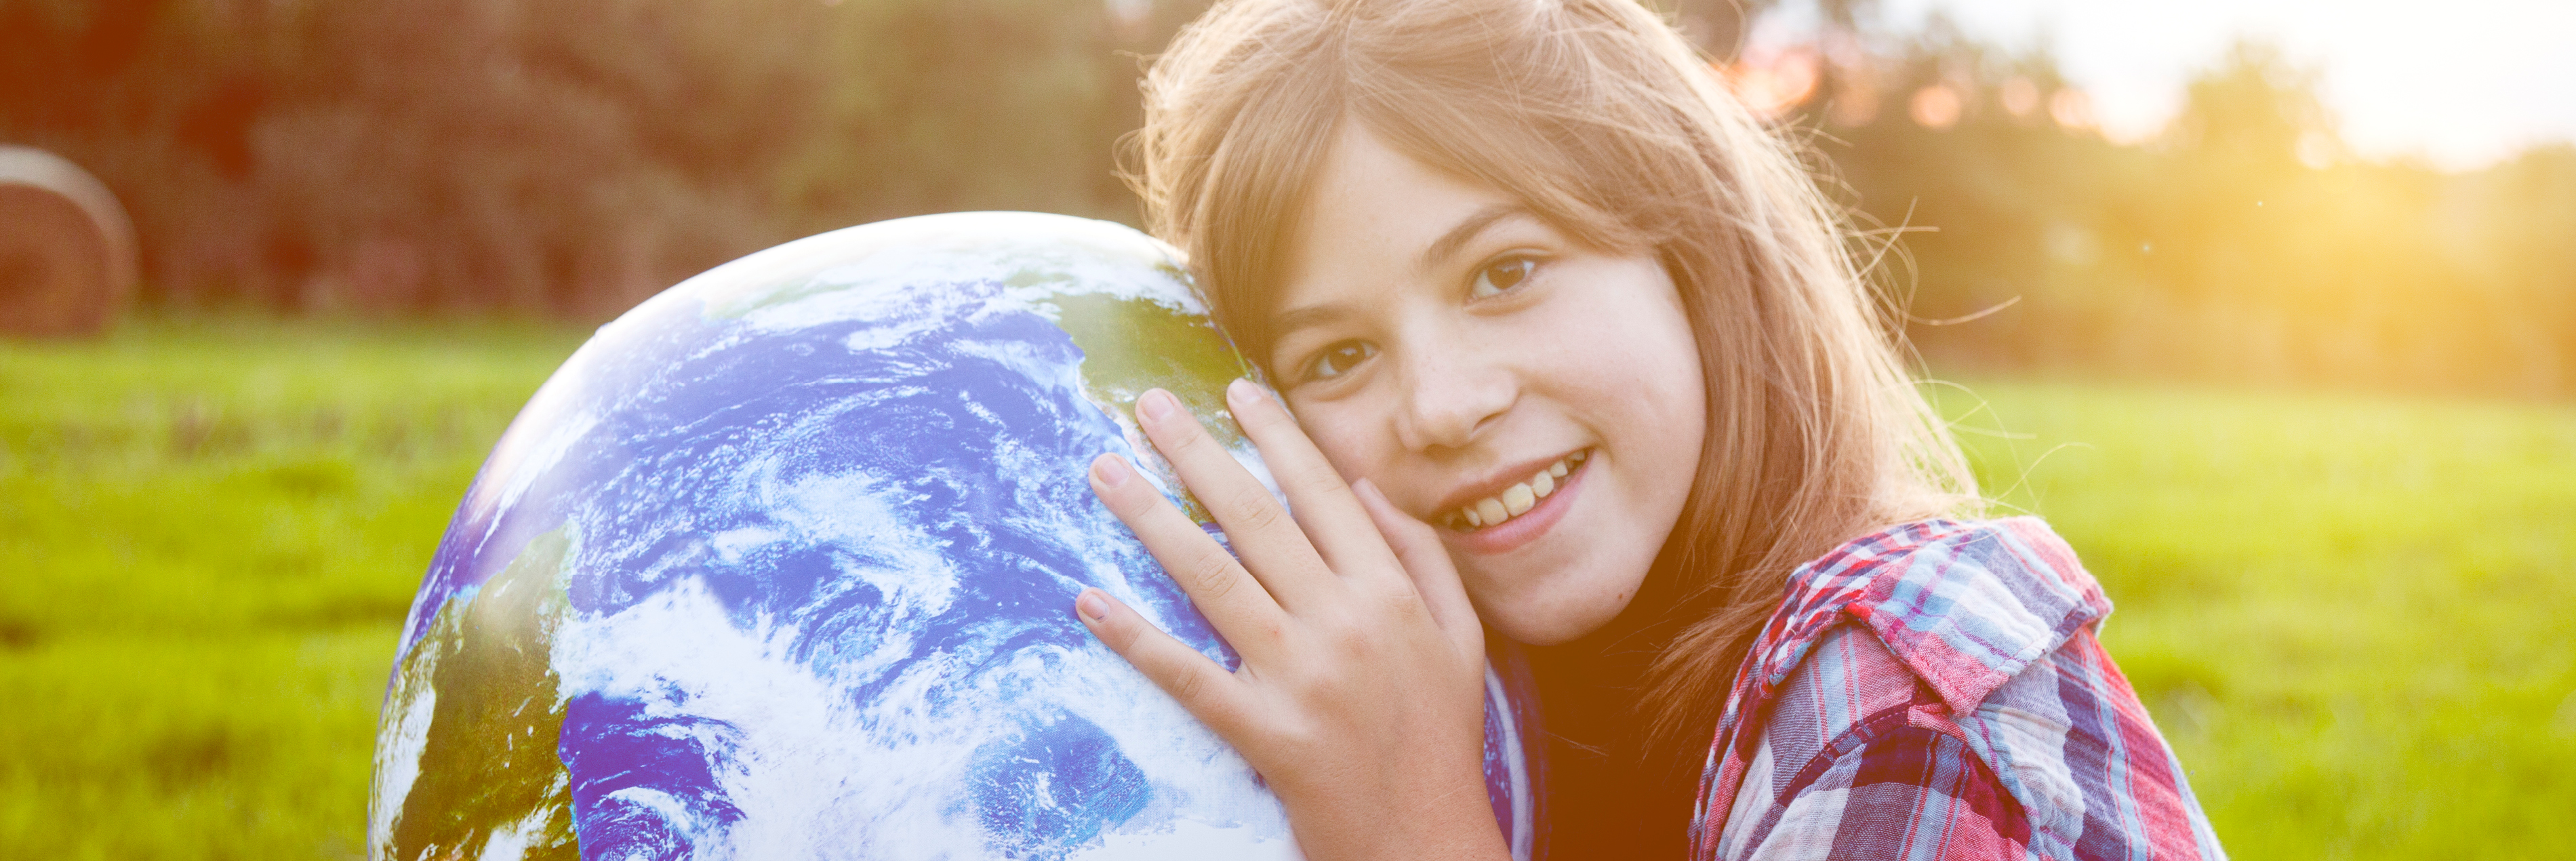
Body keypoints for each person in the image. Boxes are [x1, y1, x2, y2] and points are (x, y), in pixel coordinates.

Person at [1067, 0, 2227, 858]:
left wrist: (1414, 833)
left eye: (1505, 270)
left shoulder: (1903, 714)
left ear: (1693, 255)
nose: (1442, 403)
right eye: (1336, 355)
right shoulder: (1467, 703)